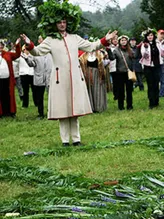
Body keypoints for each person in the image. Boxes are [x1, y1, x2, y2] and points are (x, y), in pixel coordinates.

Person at [21, 0, 117, 146]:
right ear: (55, 24)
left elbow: (91, 46)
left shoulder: (74, 38)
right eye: (59, 22)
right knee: (62, 111)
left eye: (64, 22)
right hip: (59, 79)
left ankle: (76, 139)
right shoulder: (50, 39)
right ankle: (65, 140)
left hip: (76, 78)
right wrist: (29, 44)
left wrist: (105, 40)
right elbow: (38, 51)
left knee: (75, 110)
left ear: (67, 23)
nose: (62, 24)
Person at [25, 36, 53, 119]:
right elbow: (31, 64)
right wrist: (27, 59)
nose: (42, 41)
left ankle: (51, 113)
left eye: (44, 39)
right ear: (38, 41)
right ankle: (40, 114)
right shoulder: (34, 51)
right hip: (39, 78)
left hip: (50, 78)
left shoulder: (50, 51)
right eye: (41, 39)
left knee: (51, 97)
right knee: (39, 98)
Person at [140, 28, 164, 109]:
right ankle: (151, 102)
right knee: (150, 84)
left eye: (151, 35)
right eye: (148, 36)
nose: (150, 37)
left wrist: (162, 45)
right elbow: (144, 55)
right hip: (148, 67)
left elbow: (162, 53)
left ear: (154, 36)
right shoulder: (144, 44)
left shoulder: (157, 43)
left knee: (156, 84)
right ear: (146, 37)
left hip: (157, 66)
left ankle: (156, 101)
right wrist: (146, 48)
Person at [108, 35, 134, 110]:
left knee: (129, 90)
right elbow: (112, 58)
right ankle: (121, 106)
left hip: (129, 72)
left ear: (127, 41)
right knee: (120, 91)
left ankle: (130, 105)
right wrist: (109, 50)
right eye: (122, 40)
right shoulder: (116, 50)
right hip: (119, 73)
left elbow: (134, 58)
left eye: (125, 40)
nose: (123, 41)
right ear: (120, 41)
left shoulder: (130, 50)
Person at [0, 38, 21, 118]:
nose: (0, 47)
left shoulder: (8, 54)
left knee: (8, 95)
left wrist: (17, 45)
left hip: (8, 79)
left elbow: (17, 54)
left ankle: (10, 112)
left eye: (1, 45)